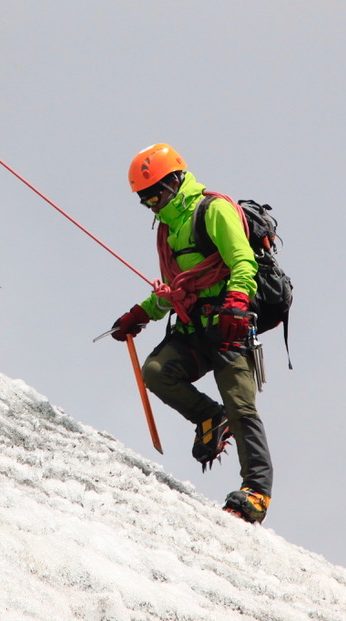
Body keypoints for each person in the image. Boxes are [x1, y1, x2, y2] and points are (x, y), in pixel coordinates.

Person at [109, 144, 274, 523]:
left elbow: (242, 261)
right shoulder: (168, 227)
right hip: (194, 326)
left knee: (242, 406)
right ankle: (208, 418)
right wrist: (141, 313)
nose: (150, 204)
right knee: (155, 371)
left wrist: (236, 301)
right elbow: (175, 289)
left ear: (173, 182)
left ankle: (256, 492)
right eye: (143, 199)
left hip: (230, 324)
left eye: (153, 194)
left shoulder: (213, 210)